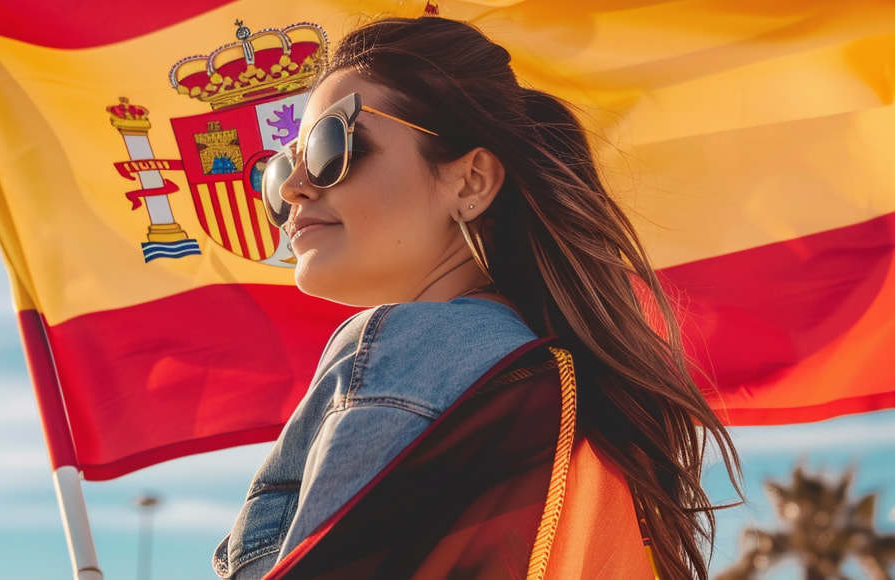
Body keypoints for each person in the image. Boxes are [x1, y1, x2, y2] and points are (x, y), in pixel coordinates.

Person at [214, 15, 740, 580]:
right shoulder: (580, 397)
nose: (295, 186)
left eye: (331, 147)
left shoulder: (411, 343)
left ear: (470, 182)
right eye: (285, 166)